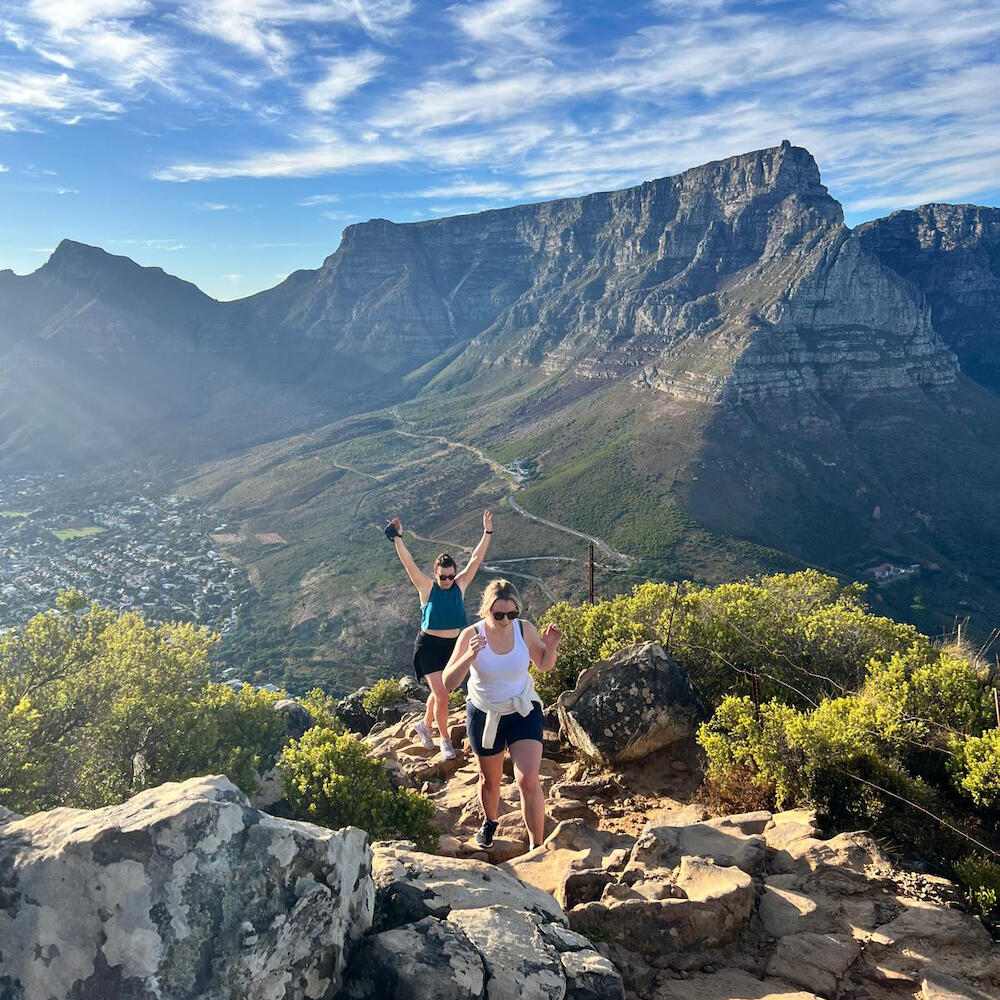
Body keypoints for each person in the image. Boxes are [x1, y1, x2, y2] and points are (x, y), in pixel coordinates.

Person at [442, 579, 563, 850]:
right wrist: (469, 656)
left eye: (512, 613)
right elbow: (449, 682)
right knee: (490, 780)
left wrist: (551, 645)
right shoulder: (471, 635)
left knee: (528, 779)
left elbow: (543, 665)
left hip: (522, 709)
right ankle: (490, 821)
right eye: (499, 615)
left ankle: (536, 848)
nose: (506, 620)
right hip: (485, 714)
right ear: (486, 610)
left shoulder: (524, 629)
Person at [387, 510, 494, 759]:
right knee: (442, 695)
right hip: (428, 647)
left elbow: (475, 559)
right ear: (436, 574)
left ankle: (424, 725)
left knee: (440, 694)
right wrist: (398, 538)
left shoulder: (460, 585)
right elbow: (409, 563)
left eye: (450, 576)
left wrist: (487, 532)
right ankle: (444, 740)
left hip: (453, 647)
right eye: (443, 577)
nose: (447, 580)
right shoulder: (426, 588)